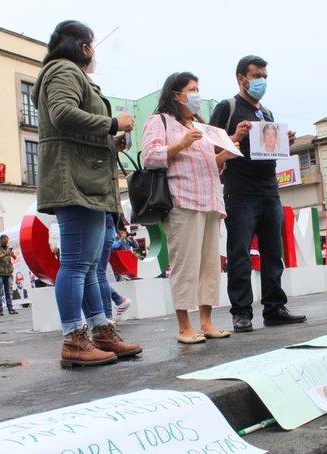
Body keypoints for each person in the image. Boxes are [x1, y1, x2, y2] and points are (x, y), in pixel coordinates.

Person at [32, 20, 141, 367]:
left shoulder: (69, 72)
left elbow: (75, 122)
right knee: (78, 264)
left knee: (91, 266)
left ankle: (101, 331)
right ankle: (74, 340)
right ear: (83, 47)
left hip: (87, 179)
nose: (94, 52)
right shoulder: (63, 70)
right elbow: (62, 114)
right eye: (92, 45)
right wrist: (112, 124)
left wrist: (109, 139)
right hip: (74, 180)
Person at [209, 55, 306, 332]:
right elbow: (211, 149)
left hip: (269, 189)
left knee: (273, 252)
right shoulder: (227, 108)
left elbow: (269, 149)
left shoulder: (267, 114)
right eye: (257, 75)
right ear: (242, 78)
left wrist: (284, 142)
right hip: (240, 190)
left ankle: (275, 308)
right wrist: (235, 135)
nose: (262, 81)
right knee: (239, 253)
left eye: (265, 75)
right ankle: (241, 313)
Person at [142, 71, 232, 344]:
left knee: (209, 265)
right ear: (175, 94)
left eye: (197, 88)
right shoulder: (160, 121)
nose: (197, 95)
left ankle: (206, 321)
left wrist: (223, 156)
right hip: (182, 199)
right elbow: (149, 156)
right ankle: (184, 326)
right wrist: (181, 143)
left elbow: (207, 164)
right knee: (185, 264)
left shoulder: (201, 125)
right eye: (192, 89)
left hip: (210, 200)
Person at [0, 234, 18, 316]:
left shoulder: (8, 247)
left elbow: (15, 257)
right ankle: (0, 310)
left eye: (7, 242)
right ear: (0, 240)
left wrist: (11, 253)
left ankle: (10, 309)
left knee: (8, 291)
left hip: (8, 272)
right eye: (5, 242)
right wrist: (5, 254)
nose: (6, 243)